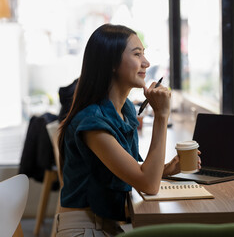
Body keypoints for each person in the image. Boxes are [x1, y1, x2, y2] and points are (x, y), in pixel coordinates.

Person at [55, 24, 200, 236]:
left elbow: (134, 171)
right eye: (137, 54)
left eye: (144, 54)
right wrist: (161, 115)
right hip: (84, 228)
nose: (146, 63)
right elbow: (148, 184)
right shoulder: (92, 122)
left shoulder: (125, 110)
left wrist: (166, 169)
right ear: (111, 63)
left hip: (108, 224)